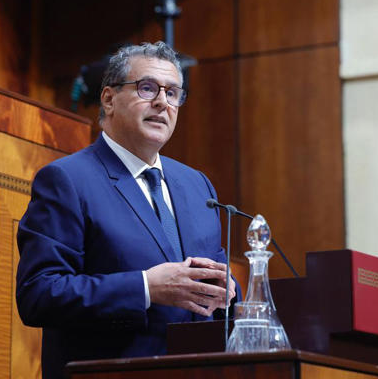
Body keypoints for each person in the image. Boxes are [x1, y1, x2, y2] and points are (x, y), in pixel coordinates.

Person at [16, 41, 237, 378]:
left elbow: (211, 287)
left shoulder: (197, 186)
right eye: (147, 88)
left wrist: (226, 291)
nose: (162, 102)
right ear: (108, 99)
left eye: (173, 93)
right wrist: (146, 288)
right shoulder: (67, 180)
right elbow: (39, 295)